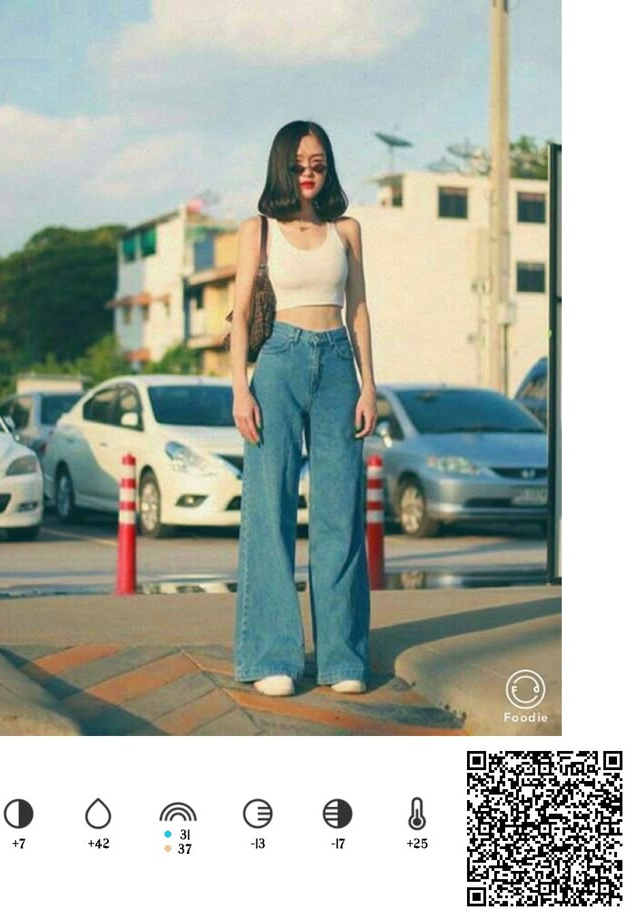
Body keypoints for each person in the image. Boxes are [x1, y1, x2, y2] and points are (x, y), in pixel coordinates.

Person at [230, 120, 378, 697]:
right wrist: (240, 389)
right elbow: (240, 315)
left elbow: (359, 310)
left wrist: (370, 385)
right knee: (269, 511)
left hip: (340, 366)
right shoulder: (258, 230)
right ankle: (273, 655)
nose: (309, 170)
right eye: (298, 163)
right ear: (282, 168)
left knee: (340, 516)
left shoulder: (348, 230)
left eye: (317, 161)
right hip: (280, 364)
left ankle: (343, 659)